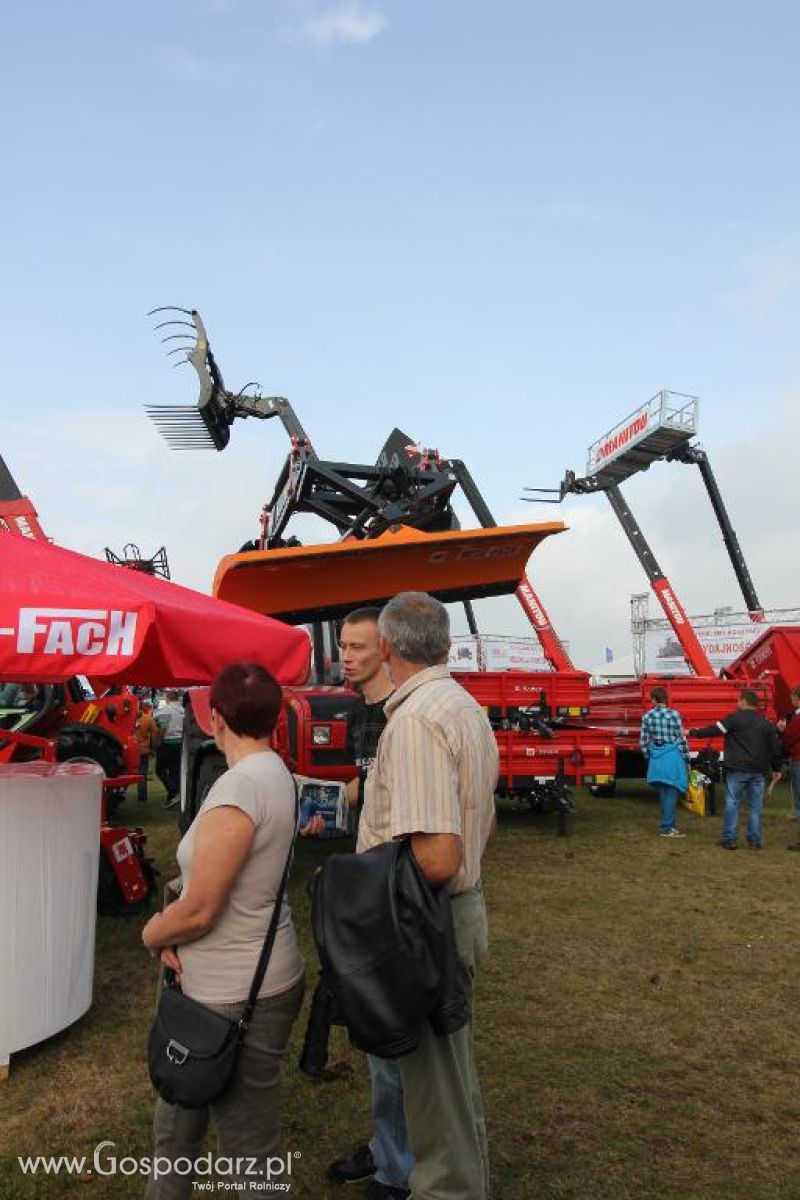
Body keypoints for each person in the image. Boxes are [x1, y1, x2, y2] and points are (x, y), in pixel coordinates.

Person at [141, 662, 305, 1199]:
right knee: (195, 1129)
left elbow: (201, 910)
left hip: (231, 993)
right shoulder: (276, 772)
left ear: (215, 719)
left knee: (245, 1151)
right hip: (260, 973)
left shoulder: (239, 788)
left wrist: (153, 934)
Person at [356, 591, 498, 1200]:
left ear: (387, 648)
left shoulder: (415, 719)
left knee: (433, 1104)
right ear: (443, 644)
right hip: (447, 916)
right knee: (447, 1086)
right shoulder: (458, 703)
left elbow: (438, 855)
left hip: (421, 922)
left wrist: (351, 883)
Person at [324, 608, 412, 1200]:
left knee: (393, 1041)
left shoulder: (407, 716)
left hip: (397, 895)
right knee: (378, 1039)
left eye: (356, 647)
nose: (345, 657)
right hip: (366, 886)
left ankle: (398, 1170)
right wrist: (326, 803)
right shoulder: (362, 712)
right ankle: (388, 1147)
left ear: (384, 646)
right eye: (342, 648)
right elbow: (366, 782)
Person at [689, 688, 783, 850]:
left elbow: (714, 730)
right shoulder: (766, 723)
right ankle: (754, 841)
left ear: (744, 702)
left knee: (732, 803)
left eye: (738, 700)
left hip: (737, 769)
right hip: (758, 771)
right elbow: (775, 748)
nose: (737, 703)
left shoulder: (734, 719)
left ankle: (729, 840)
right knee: (755, 806)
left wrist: (692, 732)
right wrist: (776, 768)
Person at [640, 686, 689, 838]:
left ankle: (669, 825)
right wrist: (686, 758)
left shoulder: (647, 716)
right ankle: (666, 827)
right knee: (672, 791)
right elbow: (681, 738)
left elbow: (643, 741)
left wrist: (648, 755)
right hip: (672, 755)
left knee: (663, 792)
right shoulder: (674, 714)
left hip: (656, 755)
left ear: (654, 699)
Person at [778, 686, 800, 849]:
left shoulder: (797, 718)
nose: (791, 701)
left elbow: (789, 738)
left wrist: (782, 730)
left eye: (793, 698)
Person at [154, 689, 185, 807]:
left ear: (168, 698)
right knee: (174, 770)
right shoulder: (183, 711)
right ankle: (172, 796)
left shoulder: (166, 710)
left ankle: (173, 792)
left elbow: (162, 728)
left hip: (167, 743)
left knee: (160, 770)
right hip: (180, 743)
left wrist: (158, 741)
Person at [135, 698, 159, 805]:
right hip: (143, 749)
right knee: (142, 773)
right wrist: (153, 748)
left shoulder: (129, 718)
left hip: (130, 749)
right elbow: (154, 734)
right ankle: (142, 796)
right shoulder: (148, 719)